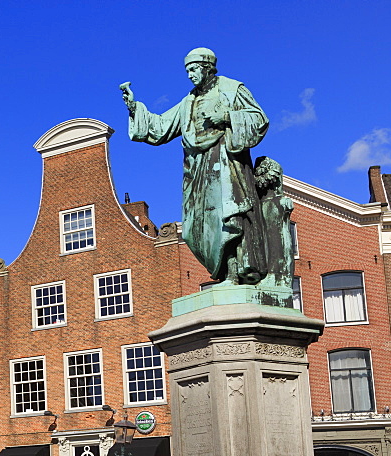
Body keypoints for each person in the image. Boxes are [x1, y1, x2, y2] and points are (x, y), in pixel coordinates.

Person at [122, 48, 287, 289]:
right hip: (197, 170)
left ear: (207, 67)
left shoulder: (233, 89)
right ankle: (223, 272)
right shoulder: (188, 102)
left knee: (228, 217)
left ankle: (234, 275)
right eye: (187, 70)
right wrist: (135, 108)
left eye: (193, 69)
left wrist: (228, 117)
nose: (189, 75)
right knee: (192, 229)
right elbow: (160, 128)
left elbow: (259, 119)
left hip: (226, 164)